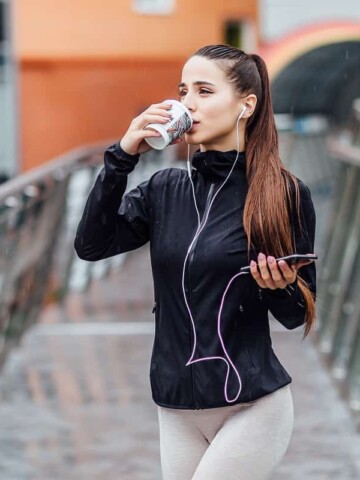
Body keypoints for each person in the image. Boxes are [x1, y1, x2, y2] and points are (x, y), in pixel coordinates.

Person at [74, 44, 316, 480]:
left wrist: (279, 286)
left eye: (204, 91)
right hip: (176, 406)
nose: (187, 103)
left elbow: (297, 313)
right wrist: (122, 157)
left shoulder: (282, 193)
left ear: (247, 105)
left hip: (252, 404)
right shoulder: (163, 189)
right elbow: (92, 245)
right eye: (183, 91)